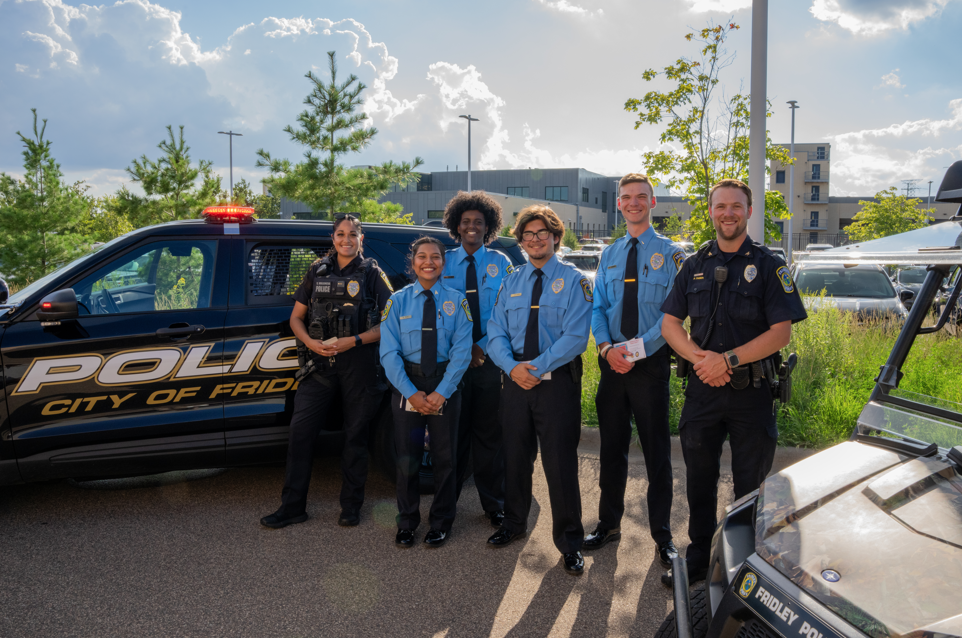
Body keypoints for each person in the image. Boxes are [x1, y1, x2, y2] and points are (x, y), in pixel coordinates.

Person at [660, 179, 807, 585]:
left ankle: (747, 561)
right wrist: (700, 360)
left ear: (749, 211)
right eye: (720, 206)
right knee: (699, 481)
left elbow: (781, 333)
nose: (728, 213)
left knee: (750, 485)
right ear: (711, 211)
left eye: (736, 206)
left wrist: (728, 359)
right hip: (702, 392)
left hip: (751, 394)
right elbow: (670, 323)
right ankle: (699, 557)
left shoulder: (768, 264)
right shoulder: (694, 264)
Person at [260, 215, 393, 529]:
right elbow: (296, 318)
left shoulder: (372, 273)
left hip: (359, 364)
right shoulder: (316, 270)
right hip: (319, 364)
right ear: (332, 237)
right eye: (340, 234)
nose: (346, 240)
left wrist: (354, 340)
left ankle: (350, 507)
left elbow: (392, 323)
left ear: (362, 238)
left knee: (355, 436)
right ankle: (292, 507)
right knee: (300, 433)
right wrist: (310, 342)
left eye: (352, 234)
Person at [485, 205, 593, 575]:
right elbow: (495, 331)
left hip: (556, 386)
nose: (534, 240)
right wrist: (513, 367)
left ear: (555, 237)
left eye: (541, 233)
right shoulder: (511, 280)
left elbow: (577, 337)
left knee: (560, 465)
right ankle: (514, 525)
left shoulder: (575, 280)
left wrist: (538, 366)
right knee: (514, 459)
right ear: (521, 242)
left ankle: (569, 542)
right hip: (515, 383)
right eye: (527, 235)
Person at [586, 174, 684, 567]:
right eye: (626, 197)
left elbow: (674, 316)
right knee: (611, 450)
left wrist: (637, 351)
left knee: (657, 453)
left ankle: (662, 536)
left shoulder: (673, 254)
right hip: (612, 365)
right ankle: (608, 524)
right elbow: (598, 309)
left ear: (653, 202)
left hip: (650, 365)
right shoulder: (608, 254)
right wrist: (608, 348)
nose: (633, 203)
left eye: (640, 197)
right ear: (619, 204)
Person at [379, 236, 473, 548]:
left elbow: (462, 352)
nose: (428, 262)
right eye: (422, 256)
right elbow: (388, 353)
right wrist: (411, 393)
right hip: (409, 384)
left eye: (435, 257)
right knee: (408, 459)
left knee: (446, 458)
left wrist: (442, 392)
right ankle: (406, 523)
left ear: (443, 264)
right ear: (413, 262)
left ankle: (441, 522)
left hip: (445, 385)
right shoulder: (398, 301)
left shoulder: (457, 302)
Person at [440, 191, 514, 528]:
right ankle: (445, 511)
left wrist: (480, 346)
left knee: (488, 436)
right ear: (457, 225)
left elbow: (507, 311)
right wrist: (463, 348)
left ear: (489, 227)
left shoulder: (501, 263)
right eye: (466, 221)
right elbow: (437, 310)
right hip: (452, 364)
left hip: (489, 363)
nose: (472, 227)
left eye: (478, 222)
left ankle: (494, 505)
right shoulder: (443, 261)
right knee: (452, 437)